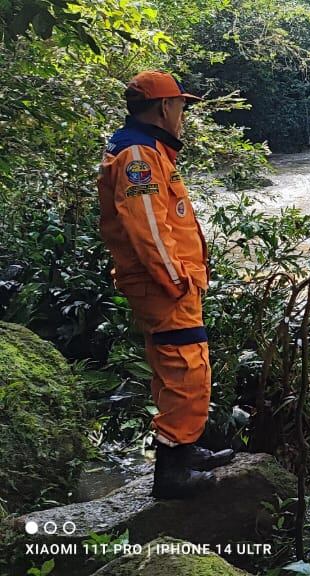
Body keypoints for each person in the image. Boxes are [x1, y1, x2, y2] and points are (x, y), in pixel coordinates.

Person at [96, 70, 234, 499]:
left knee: (174, 368)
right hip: (164, 285)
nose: (182, 115)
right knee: (186, 370)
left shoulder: (147, 149)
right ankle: (172, 474)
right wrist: (177, 281)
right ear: (163, 107)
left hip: (163, 283)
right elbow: (149, 229)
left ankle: (183, 451)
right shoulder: (138, 155)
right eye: (180, 106)